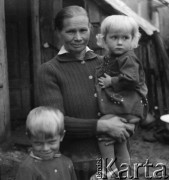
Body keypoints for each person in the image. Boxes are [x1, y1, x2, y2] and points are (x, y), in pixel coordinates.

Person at [37, 6, 139, 180]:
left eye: (83, 30)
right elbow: (55, 123)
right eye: (70, 31)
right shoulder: (50, 71)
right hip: (78, 164)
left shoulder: (107, 62)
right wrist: (101, 126)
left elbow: (129, 97)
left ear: (91, 29)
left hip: (117, 158)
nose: (78, 37)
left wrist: (128, 123)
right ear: (59, 32)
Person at [92, 15, 148, 179]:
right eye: (114, 37)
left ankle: (107, 171)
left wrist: (111, 81)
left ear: (132, 40)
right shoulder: (113, 57)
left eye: (125, 38)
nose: (119, 42)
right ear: (104, 40)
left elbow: (132, 79)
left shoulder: (128, 57)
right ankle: (124, 173)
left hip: (129, 106)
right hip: (126, 106)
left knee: (104, 131)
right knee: (120, 141)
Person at [16, 106, 77, 180]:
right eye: (38, 143)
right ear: (29, 138)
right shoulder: (27, 169)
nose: (45, 148)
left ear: (61, 136)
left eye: (51, 142)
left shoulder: (67, 163)